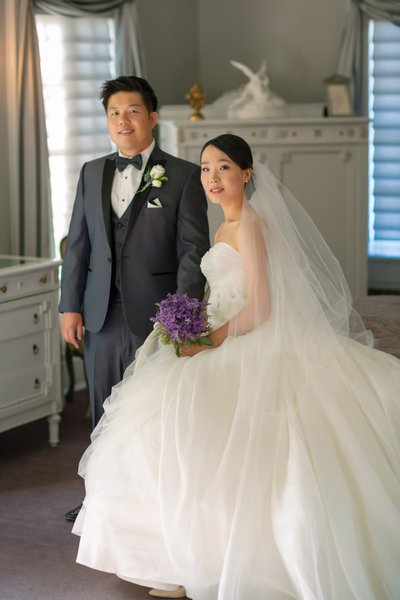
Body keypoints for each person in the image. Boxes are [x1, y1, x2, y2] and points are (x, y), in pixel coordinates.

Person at [72, 134, 400, 600]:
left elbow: (261, 307)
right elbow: (220, 294)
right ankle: (186, 556)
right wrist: (188, 327)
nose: (211, 178)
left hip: (249, 341)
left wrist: (209, 340)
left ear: (246, 173)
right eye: (205, 168)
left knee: (200, 431)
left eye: (223, 167)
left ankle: (207, 561)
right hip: (221, 334)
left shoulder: (249, 225)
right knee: (163, 427)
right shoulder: (223, 226)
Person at [59, 75, 210, 523]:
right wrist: (70, 305)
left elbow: (192, 250)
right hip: (101, 311)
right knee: (103, 406)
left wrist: (182, 315)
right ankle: (100, 500)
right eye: (114, 112)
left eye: (133, 111)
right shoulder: (90, 172)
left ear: (152, 118)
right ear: (108, 120)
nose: (123, 120)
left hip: (158, 314)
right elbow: (78, 245)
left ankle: (151, 501)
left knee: (153, 411)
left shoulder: (182, 175)